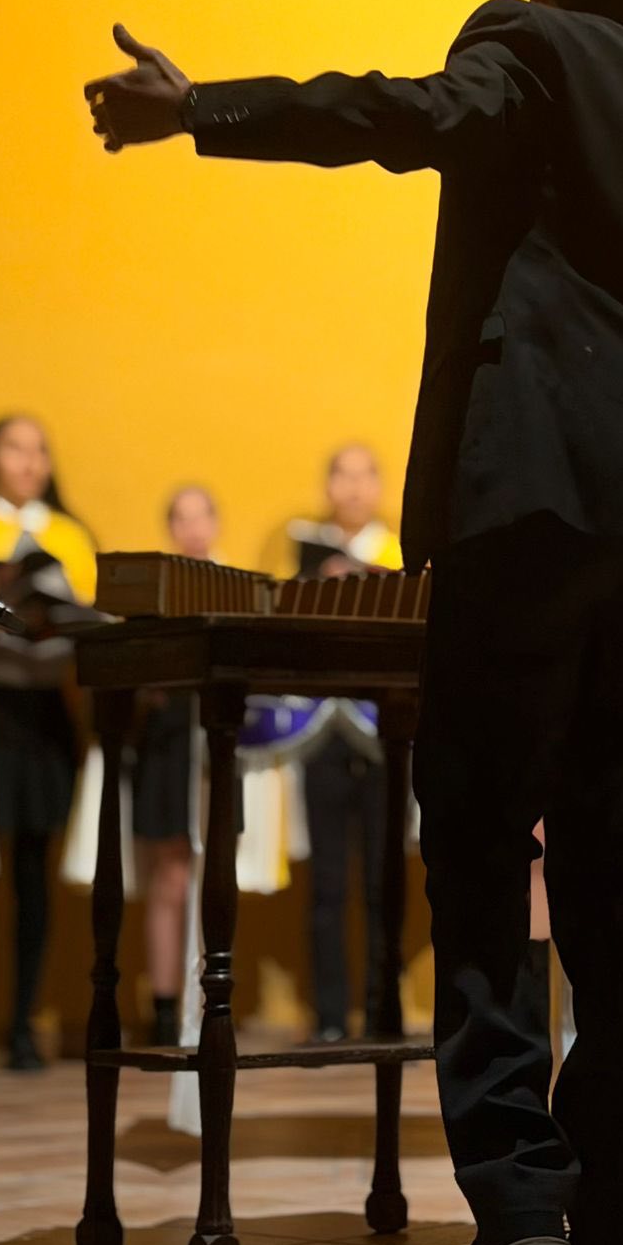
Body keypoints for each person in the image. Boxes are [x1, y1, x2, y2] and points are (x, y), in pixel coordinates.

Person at [86, 0, 623, 1245]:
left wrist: (198, 107)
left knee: (475, 846)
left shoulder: (520, 45)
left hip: (531, 497)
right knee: (610, 859)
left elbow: (398, 117)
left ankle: (521, 1204)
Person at [0, 416, 94, 1073]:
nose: (30, 461)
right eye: (15, 447)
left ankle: (25, 1024)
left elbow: (91, 616)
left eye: (41, 448)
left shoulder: (71, 534)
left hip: (47, 712)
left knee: (34, 871)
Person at [288, 445, 403, 1042]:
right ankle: (330, 1015)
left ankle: (384, 1008)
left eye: (366, 475)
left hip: (386, 730)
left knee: (385, 880)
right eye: (343, 475)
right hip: (323, 730)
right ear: (329, 485)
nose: (354, 487)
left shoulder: (399, 552)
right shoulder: (305, 550)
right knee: (327, 883)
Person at [134, 483, 219, 1047]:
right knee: (168, 875)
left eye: (201, 516)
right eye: (180, 517)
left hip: (214, 746)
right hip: (166, 746)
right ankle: (164, 1005)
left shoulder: (231, 590)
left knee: (213, 875)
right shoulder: (152, 593)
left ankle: (211, 994)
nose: (191, 527)